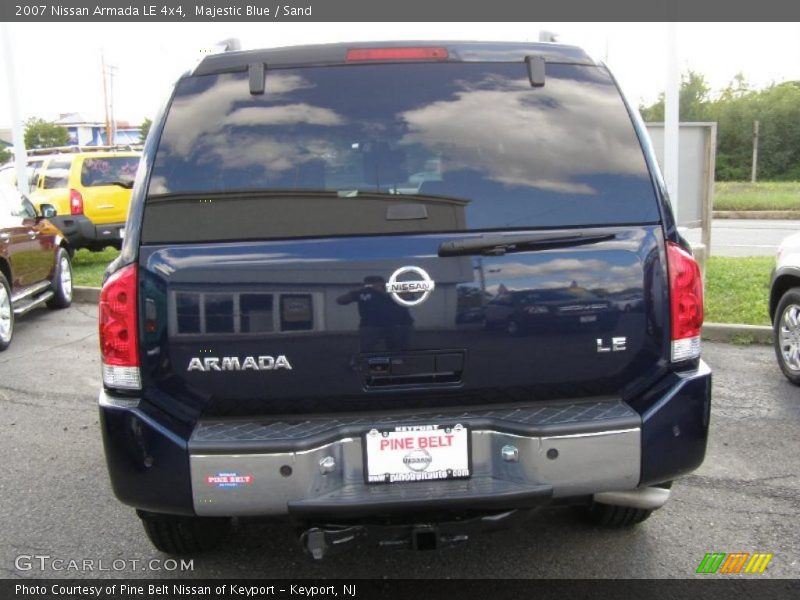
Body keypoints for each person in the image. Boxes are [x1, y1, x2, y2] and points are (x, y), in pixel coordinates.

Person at [337, 275, 414, 353]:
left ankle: (396, 362)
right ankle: (368, 362)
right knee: (366, 349)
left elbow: (410, 298)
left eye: (376, 283)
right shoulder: (363, 292)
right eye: (369, 284)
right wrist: (352, 292)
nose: (372, 286)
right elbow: (340, 301)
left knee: (397, 349)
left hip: (396, 325)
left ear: (383, 283)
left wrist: (384, 292)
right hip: (370, 326)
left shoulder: (394, 289)